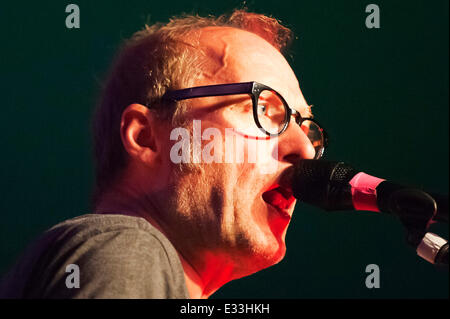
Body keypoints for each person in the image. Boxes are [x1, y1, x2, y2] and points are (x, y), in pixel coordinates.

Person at [0, 9, 327, 299]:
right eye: (263, 108)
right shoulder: (129, 247)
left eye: (305, 124)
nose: (305, 149)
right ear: (145, 137)